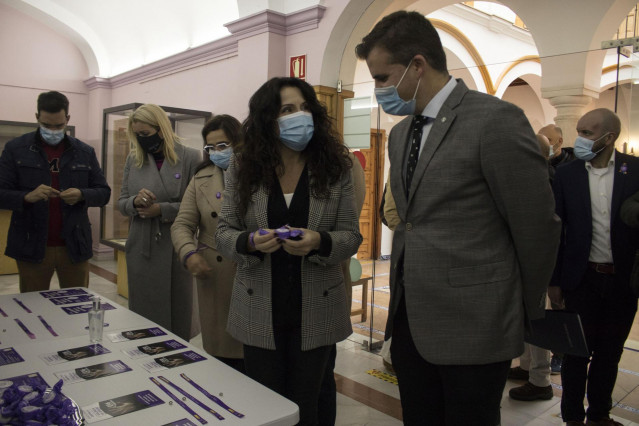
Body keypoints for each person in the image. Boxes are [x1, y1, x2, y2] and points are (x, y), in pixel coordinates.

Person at [355, 11, 560, 425]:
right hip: (411, 320)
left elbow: (535, 226)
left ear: (417, 64)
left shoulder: (495, 120)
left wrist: (519, 309)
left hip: (477, 321)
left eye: (382, 78)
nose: (379, 90)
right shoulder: (400, 134)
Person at [215, 77, 362, 425]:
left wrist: (320, 242)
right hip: (258, 305)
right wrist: (249, 242)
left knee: (307, 403)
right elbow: (223, 232)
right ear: (268, 118)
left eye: (305, 107)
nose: (300, 116)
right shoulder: (242, 166)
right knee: (267, 406)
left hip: (317, 304)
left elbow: (351, 236)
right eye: (287, 110)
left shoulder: (335, 165)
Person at [550, 108, 639, 426]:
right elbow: (557, 231)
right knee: (576, 354)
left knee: (609, 354)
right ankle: (572, 417)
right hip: (581, 279)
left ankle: (599, 414)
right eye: (579, 130)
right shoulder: (567, 175)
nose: (580, 138)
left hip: (622, 282)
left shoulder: (636, 171)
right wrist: (555, 280)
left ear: (609, 137)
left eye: (587, 132)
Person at [0, 91, 110, 292]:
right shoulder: (15, 149)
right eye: (46, 125)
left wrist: (81, 194)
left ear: (67, 119)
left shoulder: (84, 152)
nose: (52, 131)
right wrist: (26, 197)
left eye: (59, 126)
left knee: (77, 305)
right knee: (33, 308)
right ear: (37, 118)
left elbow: (103, 193)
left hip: (74, 244)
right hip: (31, 243)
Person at [118, 104, 201, 341]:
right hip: (142, 247)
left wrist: (161, 209)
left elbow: (195, 206)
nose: (142, 140)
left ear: (161, 129)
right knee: (145, 318)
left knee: (177, 315)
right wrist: (135, 202)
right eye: (137, 135)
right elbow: (121, 202)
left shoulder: (189, 157)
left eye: (145, 134)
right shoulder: (133, 159)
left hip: (176, 245)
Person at [170, 114, 244, 372]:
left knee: (253, 361)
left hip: (251, 273)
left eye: (223, 145)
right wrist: (189, 253)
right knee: (221, 357)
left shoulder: (261, 176)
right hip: (215, 274)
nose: (217, 152)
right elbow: (182, 224)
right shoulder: (201, 178)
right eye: (211, 148)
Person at [507, 133, 556, 401]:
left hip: (536, 264)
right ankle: (526, 368)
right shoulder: (530, 175)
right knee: (525, 319)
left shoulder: (543, 179)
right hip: (523, 261)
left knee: (537, 322)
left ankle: (541, 381)